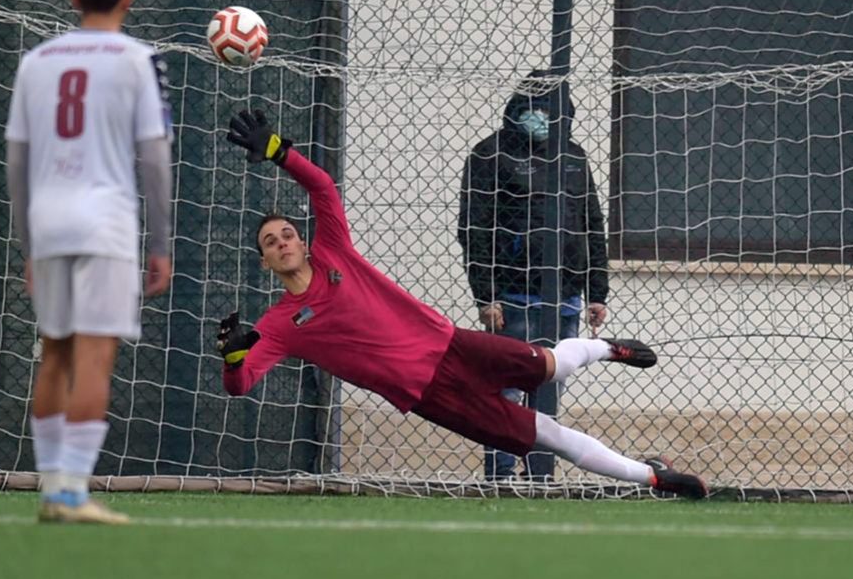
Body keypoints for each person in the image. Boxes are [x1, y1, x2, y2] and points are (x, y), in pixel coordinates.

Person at [218, 109, 705, 498]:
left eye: (287, 234)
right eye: (270, 242)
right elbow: (240, 385)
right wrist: (234, 356)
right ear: (265, 261)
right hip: (432, 396)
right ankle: (655, 477)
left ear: (303, 241)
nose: (282, 242)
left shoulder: (333, 251)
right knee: (546, 434)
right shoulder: (279, 324)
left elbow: (321, 186)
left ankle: (607, 349)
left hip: (453, 345)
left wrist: (279, 151)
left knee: (552, 367)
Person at [5, 0, 174, 525]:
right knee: (95, 357)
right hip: (105, 224)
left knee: (54, 353)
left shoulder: (37, 61)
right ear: (128, 0)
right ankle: (73, 493)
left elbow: (16, 161)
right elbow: (155, 159)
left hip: (49, 221)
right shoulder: (138, 60)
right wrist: (161, 244)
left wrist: (29, 244)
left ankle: (53, 487)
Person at [456, 71, 610, 480]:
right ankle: (501, 474)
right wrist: (486, 296)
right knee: (505, 390)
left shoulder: (573, 157)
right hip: (512, 298)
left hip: (565, 297)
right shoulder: (489, 155)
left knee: (549, 392)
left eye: (549, 110)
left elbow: (592, 224)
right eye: (534, 108)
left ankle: (539, 473)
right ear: (518, 107)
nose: (541, 117)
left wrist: (597, 292)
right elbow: (474, 229)